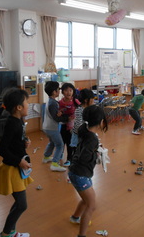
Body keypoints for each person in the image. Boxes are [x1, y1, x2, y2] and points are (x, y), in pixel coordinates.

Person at [0, 88, 33, 237]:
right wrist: (19, 161)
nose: (29, 104)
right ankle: (7, 233)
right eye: (27, 102)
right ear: (19, 108)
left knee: (20, 204)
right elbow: (1, 149)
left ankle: (10, 232)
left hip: (17, 167)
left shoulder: (18, 121)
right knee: (21, 205)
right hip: (12, 169)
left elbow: (16, 140)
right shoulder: (12, 124)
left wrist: (24, 142)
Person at [68, 105, 108, 237]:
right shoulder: (92, 138)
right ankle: (82, 235)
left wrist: (94, 150)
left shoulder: (83, 129)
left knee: (86, 200)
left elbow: (85, 149)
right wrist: (96, 154)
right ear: (101, 121)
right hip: (81, 174)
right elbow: (85, 156)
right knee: (91, 205)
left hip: (76, 171)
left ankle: (75, 217)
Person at [42, 81, 71, 172]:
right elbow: (56, 118)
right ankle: (54, 163)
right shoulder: (53, 103)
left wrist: (61, 112)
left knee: (52, 142)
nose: (59, 91)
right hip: (51, 128)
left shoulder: (51, 101)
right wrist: (67, 119)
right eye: (58, 89)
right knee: (60, 144)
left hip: (47, 127)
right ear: (54, 92)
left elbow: (55, 114)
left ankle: (46, 156)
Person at [59, 83, 80, 166]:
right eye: (66, 90)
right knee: (62, 141)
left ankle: (69, 159)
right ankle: (59, 155)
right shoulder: (60, 102)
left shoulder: (75, 101)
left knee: (70, 143)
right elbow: (59, 112)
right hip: (63, 124)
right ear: (63, 92)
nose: (69, 92)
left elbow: (80, 110)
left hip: (72, 126)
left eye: (70, 90)